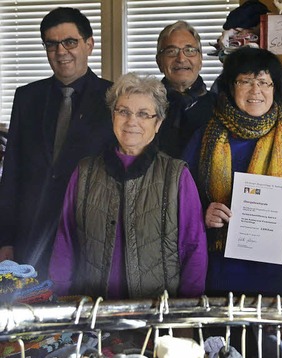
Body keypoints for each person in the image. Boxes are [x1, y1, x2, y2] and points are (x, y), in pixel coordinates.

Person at [49, 73, 207, 299]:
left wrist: (186, 315)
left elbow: (194, 249)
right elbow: (65, 242)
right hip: (94, 313)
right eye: (123, 111)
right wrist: (62, 301)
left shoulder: (176, 175)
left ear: (158, 123)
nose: (132, 121)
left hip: (157, 315)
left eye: (144, 114)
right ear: (113, 116)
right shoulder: (85, 172)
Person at [183, 47, 282, 297]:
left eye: (264, 82)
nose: (255, 90)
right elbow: (181, 200)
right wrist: (204, 214)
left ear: (275, 89)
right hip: (221, 273)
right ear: (230, 86)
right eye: (246, 81)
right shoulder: (204, 138)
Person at [0, 7, 115, 278]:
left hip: (88, 237)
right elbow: (12, 172)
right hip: (31, 236)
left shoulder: (114, 98)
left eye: (70, 42)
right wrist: (5, 239)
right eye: (51, 44)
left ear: (89, 44)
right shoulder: (27, 97)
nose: (61, 51)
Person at [156, 20, 216, 159]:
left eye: (190, 50)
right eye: (171, 51)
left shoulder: (221, 107)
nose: (181, 58)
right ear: (159, 62)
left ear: (200, 60)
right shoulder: (146, 107)